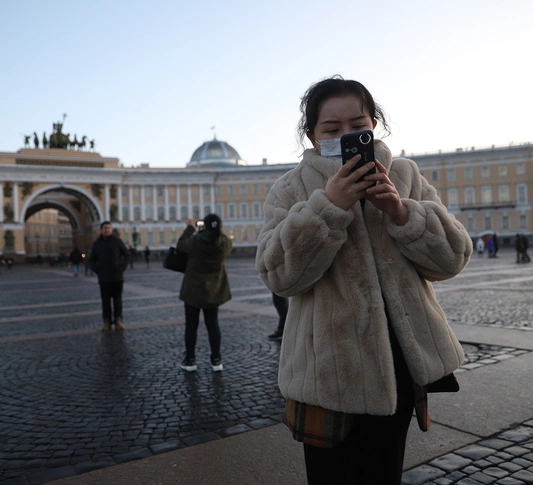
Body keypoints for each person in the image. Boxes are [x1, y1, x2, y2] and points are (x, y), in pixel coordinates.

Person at [255, 76, 472, 484]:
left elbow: (452, 259)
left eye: (358, 126)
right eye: (332, 130)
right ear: (313, 136)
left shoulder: (404, 175)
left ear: (374, 124)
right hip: (328, 373)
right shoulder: (290, 189)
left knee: (386, 470)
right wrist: (329, 207)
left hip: (399, 365)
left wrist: (402, 213)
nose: (347, 136)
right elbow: (278, 275)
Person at [177, 214, 232, 372]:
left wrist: (190, 228)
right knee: (213, 325)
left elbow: (180, 245)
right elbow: (226, 240)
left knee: (191, 326)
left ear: (204, 225)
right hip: (213, 292)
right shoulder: (224, 243)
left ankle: (190, 360)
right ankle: (216, 360)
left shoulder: (197, 240)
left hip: (193, 291)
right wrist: (215, 229)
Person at [89, 221, 130, 331]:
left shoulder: (117, 241)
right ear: (101, 230)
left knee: (118, 300)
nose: (107, 230)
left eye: (108, 228)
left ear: (111, 229)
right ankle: (107, 322)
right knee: (105, 301)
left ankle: (118, 320)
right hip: (104, 277)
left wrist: (122, 268)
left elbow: (127, 255)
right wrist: (97, 270)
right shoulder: (97, 244)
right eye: (105, 228)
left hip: (117, 277)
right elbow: (91, 260)